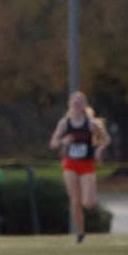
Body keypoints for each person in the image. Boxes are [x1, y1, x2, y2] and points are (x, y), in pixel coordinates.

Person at [48, 91, 111, 243]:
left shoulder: (91, 124)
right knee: (75, 201)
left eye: (80, 102)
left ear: (84, 105)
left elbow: (105, 139)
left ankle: (90, 205)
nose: (76, 105)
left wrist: (99, 149)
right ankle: (80, 233)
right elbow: (53, 143)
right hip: (70, 164)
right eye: (74, 102)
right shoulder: (64, 123)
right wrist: (64, 141)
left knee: (88, 203)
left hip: (87, 164)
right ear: (70, 105)